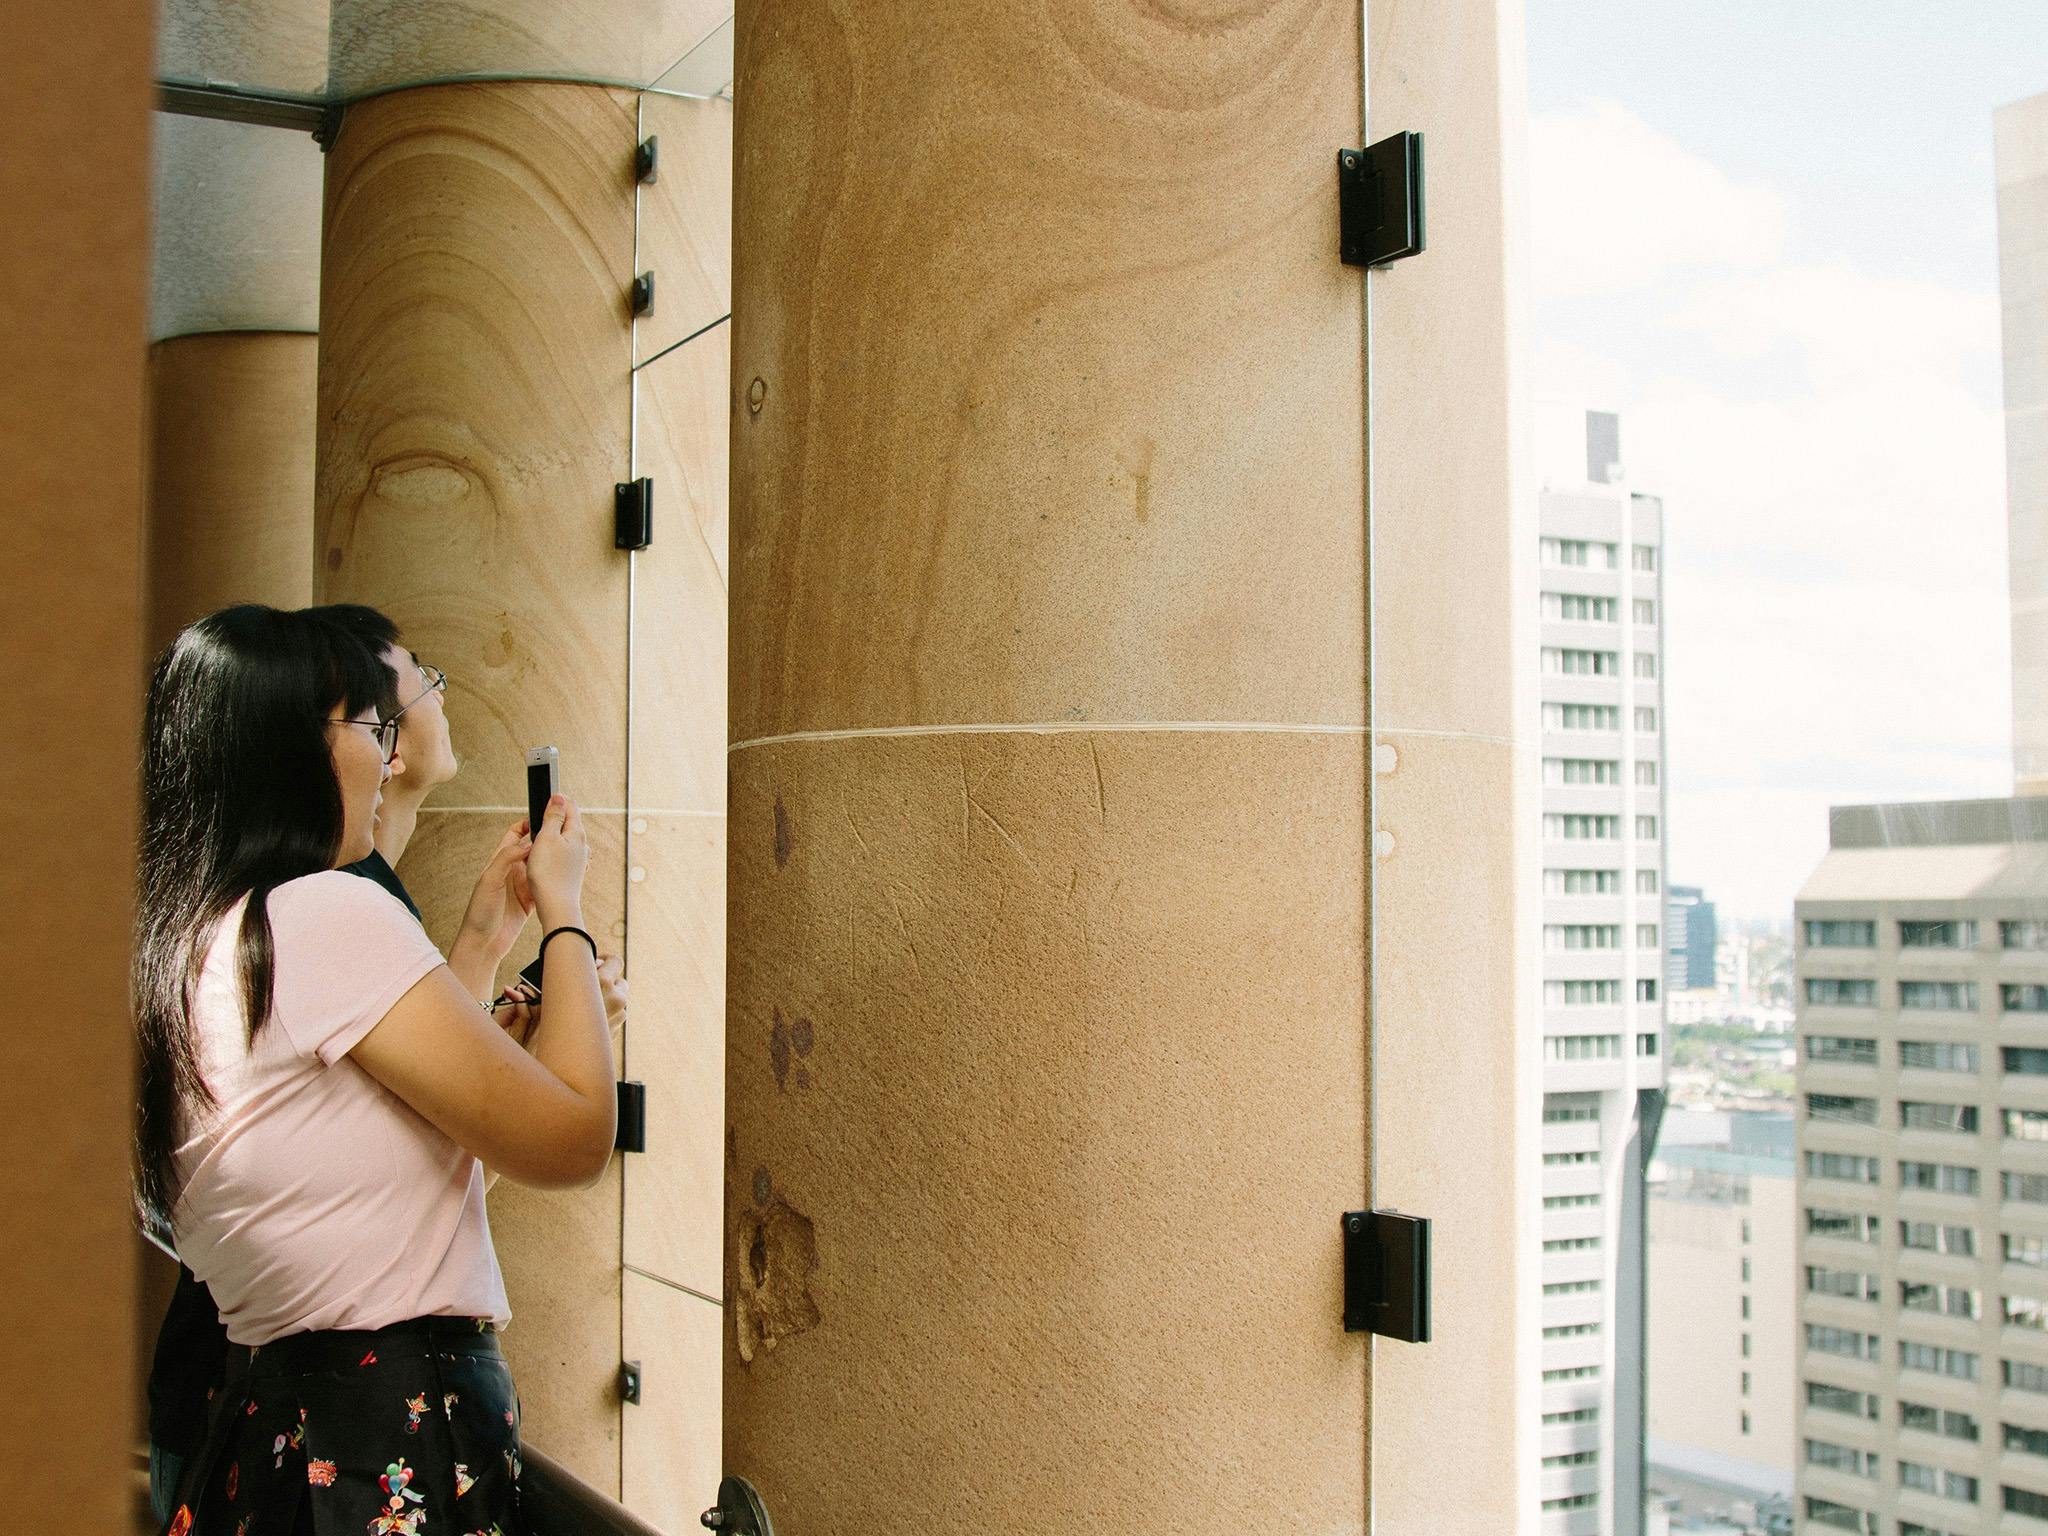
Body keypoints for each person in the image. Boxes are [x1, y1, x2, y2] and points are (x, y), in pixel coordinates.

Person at [136, 604, 617, 1536]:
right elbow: (574, 1137)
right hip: (383, 1434)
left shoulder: (195, 943)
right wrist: (567, 911)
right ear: (288, 749)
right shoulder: (320, 916)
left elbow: (364, 1199)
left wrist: (481, 945)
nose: (388, 757)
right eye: (370, 726)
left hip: (276, 1438)